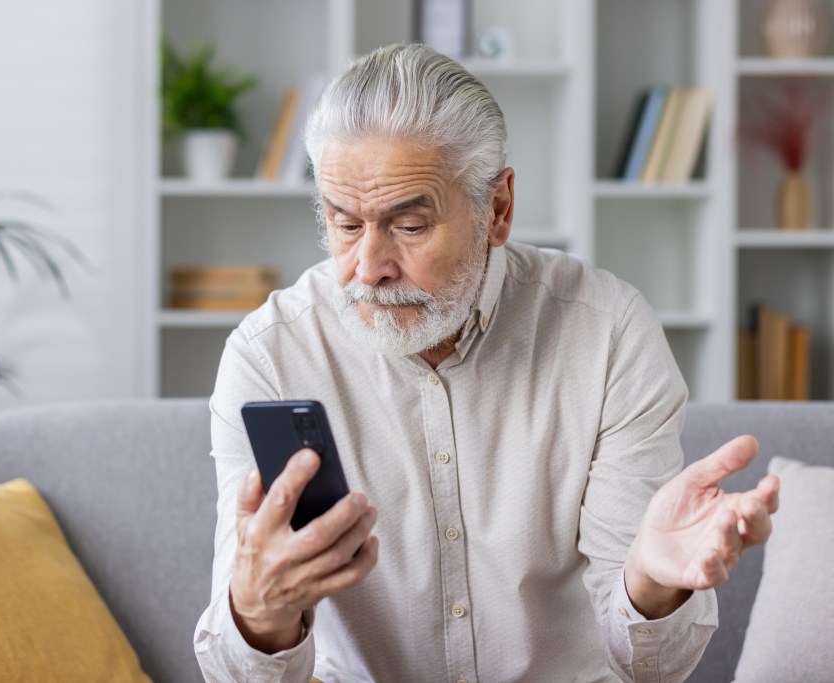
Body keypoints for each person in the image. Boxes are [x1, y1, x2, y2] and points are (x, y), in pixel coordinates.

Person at [193, 43, 779, 683]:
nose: (368, 269)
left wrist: (651, 583)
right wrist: (257, 609)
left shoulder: (608, 332)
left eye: (409, 226)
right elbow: (238, 674)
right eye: (345, 224)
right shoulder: (271, 353)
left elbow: (652, 667)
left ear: (497, 209)